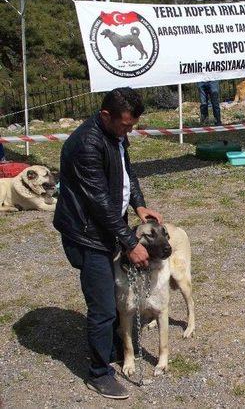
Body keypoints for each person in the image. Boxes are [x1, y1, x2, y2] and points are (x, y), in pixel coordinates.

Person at [53, 87, 163, 400]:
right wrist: (130, 242)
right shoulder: (87, 144)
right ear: (105, 116)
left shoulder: (115, 133)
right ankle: (99, 373)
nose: (129, 131)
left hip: (107, 227)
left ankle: (115, 344)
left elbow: (127, 171)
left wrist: (139, 205)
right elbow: (99, 202)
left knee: (115, 294)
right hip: (87, 234)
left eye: (132, 125)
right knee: (102, 303)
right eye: (126, 125)